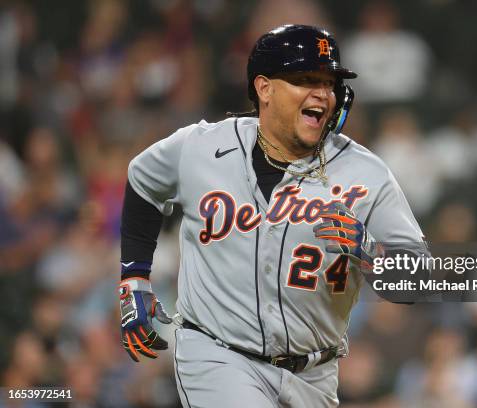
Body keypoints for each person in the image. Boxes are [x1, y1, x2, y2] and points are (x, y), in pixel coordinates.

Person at [118, 24, 425, 407]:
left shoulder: (367, 174)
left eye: (329, 83)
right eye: (305, 79)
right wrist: (134, 277)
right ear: (264, 88)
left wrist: (370, 252)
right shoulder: (200, 148)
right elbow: (143, 181)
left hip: (316, 372)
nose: (322, 94)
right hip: (217, 355)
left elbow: (419, 282)